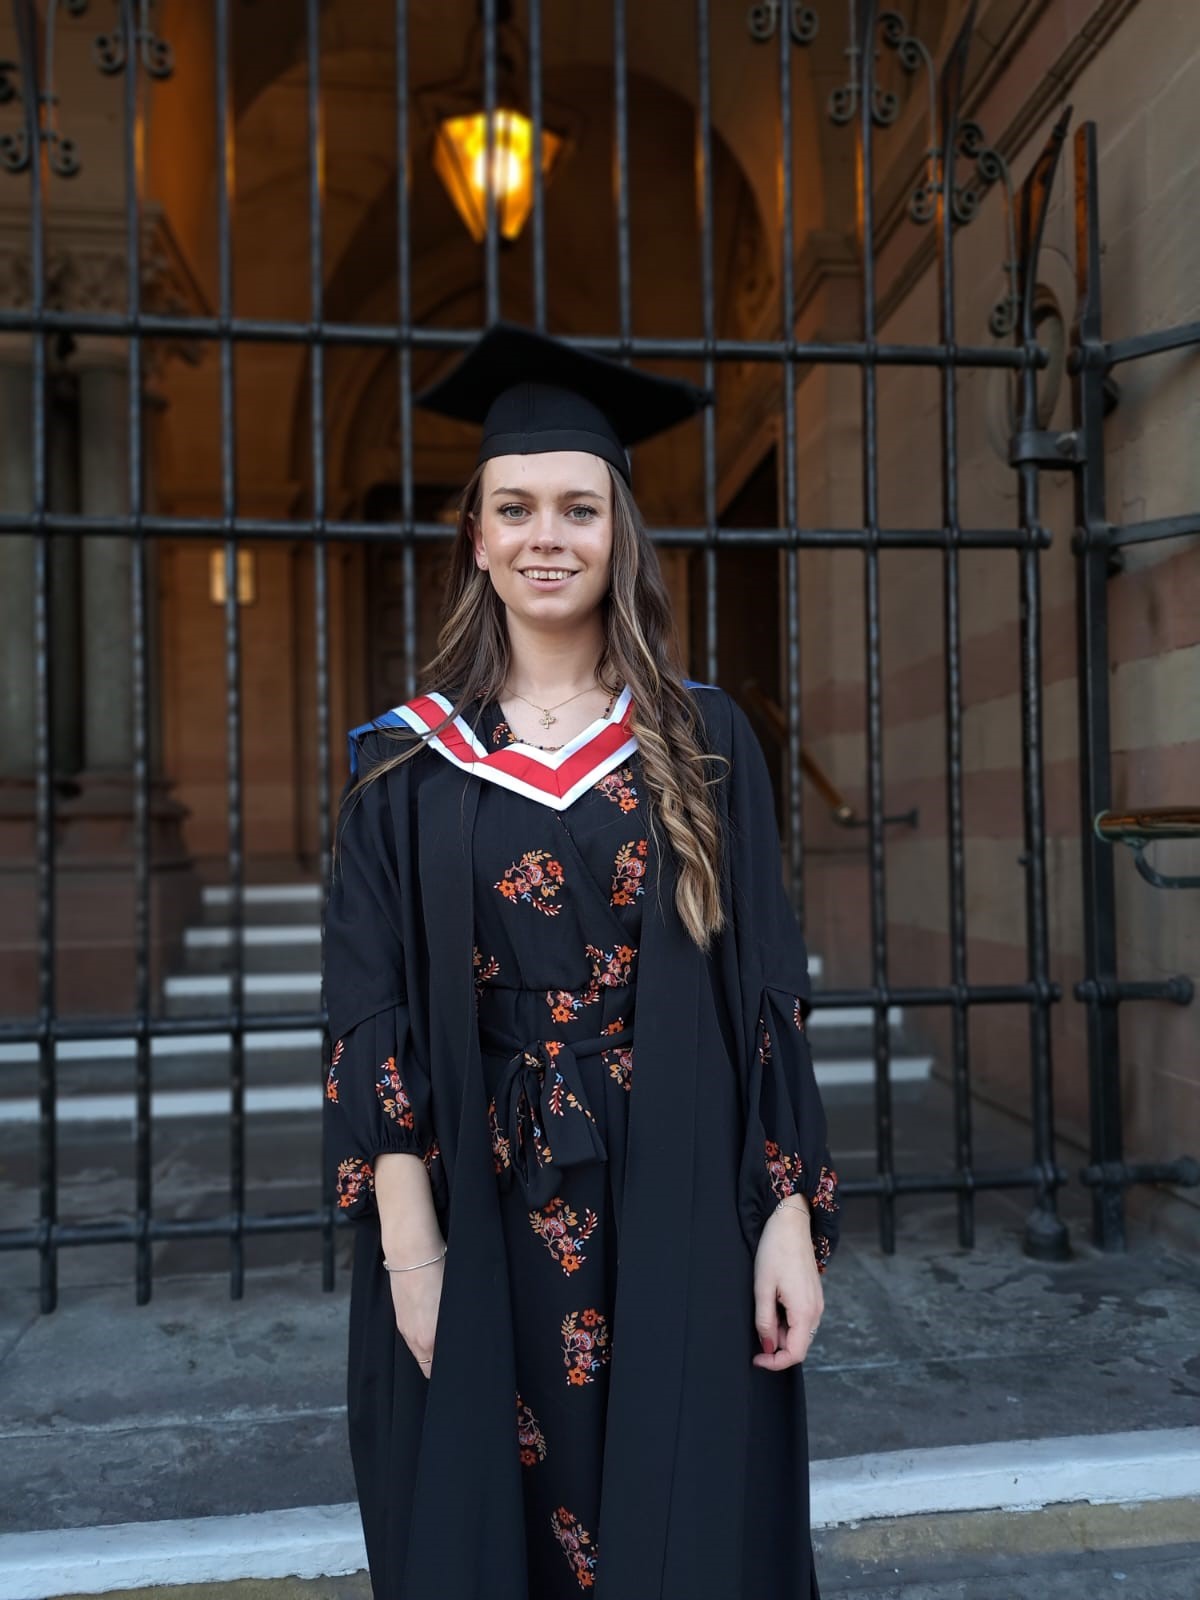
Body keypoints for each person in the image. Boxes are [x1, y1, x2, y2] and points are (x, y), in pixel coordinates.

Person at [323, 322, 839, 1600]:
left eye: (577, 508)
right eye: (516, 508)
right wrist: (411, 1249)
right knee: (487, 1518)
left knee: (683, 1502)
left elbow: (763, 987)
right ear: (478, 535)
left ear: (619, 532)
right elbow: (368, 1009)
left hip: (677, 1176)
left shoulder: (704, 740)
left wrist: (786, 1219)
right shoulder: (402, 764)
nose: (546, 535)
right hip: (479, 1195)